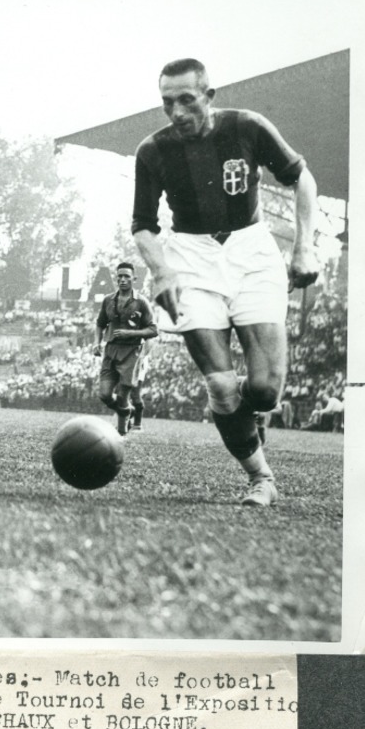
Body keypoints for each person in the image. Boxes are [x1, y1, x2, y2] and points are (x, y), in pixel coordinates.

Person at [132, 58, 318, 505]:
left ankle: (247, 419)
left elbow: (302, 178)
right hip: (191, 257)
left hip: (251, 251)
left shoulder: (247, 127)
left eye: (186, 100)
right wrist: (161, 271)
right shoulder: (152, 151)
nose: (176, 112)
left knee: (264, 390)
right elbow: (143, 224)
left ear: (209, 96)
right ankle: (261, 477)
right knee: (221, 385)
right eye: (167, 103)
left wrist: (304, 246)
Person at [93, 262, 158, 436]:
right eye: (120, 276)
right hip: (111, 350)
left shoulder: (141, 302)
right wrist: (96, 343)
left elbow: (153, 330)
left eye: (126, 276)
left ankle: (121, 432)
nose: (122, 280)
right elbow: (100, 324)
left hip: (131, 352)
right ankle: (125, 412)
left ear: (133, 279)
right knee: (105, 395)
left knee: (123, 395)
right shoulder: (108, 300)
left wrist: (130, 333)